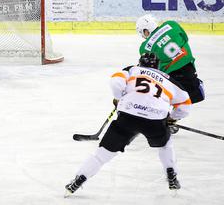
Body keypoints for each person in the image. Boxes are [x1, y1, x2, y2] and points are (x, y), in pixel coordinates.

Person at [64, 53, 191, 196]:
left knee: (102, 155)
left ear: (140, 63)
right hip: (155, 120)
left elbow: (115, 82)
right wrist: (172, 119)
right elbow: (185, 105)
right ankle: (171, 175)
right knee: (165, 145)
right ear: (158, 66)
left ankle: (79, 180)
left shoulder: (132, 70)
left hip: (128, 117)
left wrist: (120, 99)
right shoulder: (170, 81)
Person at [136, 15, 204, 105]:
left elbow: (152, 67)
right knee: (197, 95)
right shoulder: (172, 25)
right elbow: (185, 38)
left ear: (146, 31)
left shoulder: (144, 47)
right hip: (190, 71)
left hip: (172, 80)